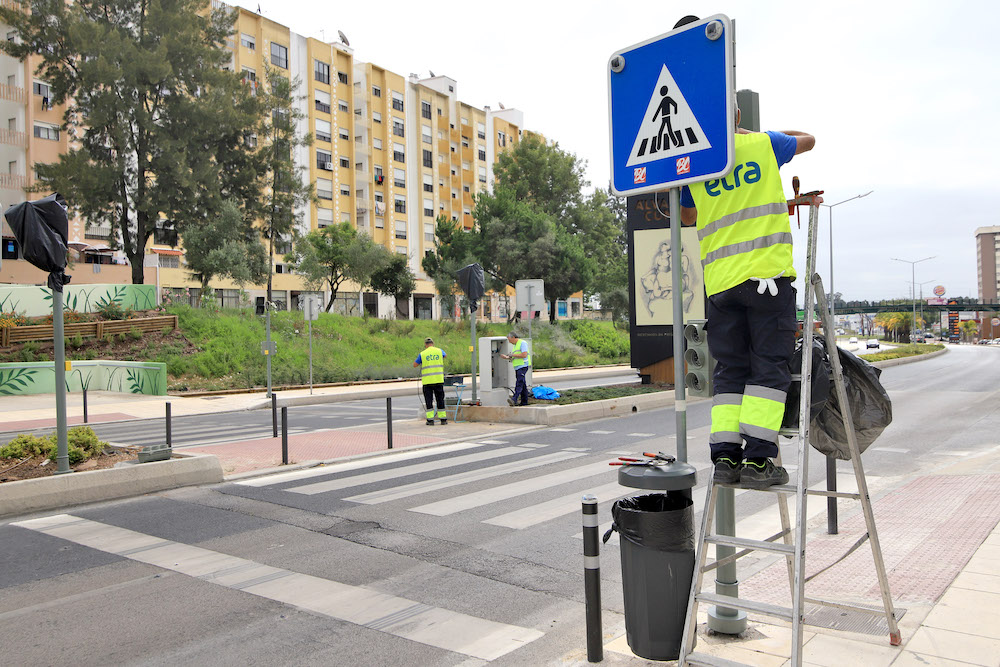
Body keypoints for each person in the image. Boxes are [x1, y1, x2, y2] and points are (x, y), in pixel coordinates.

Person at [680, 104, 815, 489]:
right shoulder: (763, 144)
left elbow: (689, 217)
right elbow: (809, 140)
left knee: (730, 370)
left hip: (721, 286)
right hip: (767, 279)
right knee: (768, 367)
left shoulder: (698, 162)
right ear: (738, 117)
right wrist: (756, 135)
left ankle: (725, 459)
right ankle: (759, 461)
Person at [413, 337, 447, 425]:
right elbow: (445, 355)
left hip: (427, 382)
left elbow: (415, 365)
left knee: (429, 401)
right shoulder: (439, 351)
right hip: (438, 380)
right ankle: (443, 419)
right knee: (440, 399)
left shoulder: (423, 354)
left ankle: (430, 420)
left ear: (425, 345)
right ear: (433, 343)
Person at [501, 331, 531, 406]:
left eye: (509, 340)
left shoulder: (522, 343)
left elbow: (524, 355)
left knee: (519, 383)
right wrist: (507, 357)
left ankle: (514, 399)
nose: (509, 342)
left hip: (523, 366)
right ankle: (524, 402)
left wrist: (512, 354)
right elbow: (515, 357)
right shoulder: (515, 345)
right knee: (523, 385)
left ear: (513, 337)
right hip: (518, 367)